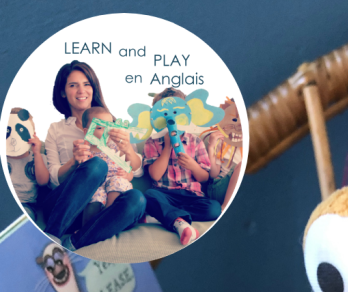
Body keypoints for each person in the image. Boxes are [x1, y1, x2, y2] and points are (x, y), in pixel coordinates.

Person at [42, 61, 146, 249]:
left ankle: (75, 242)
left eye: (86, 84)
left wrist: (128, 150)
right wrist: (74, 163)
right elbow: (52, 181)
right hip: (65, 208)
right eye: (73, 85)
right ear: (63, 92)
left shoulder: (113, 125)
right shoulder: (56, 129)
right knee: (96, 165)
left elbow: (137, 172)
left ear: (93, 88)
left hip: (104, 212)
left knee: (137, 199)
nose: (81, 90)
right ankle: (52, 237)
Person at [143, 87, 221, 246]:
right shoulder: (152, 142)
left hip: (191, 196)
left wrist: (193, 166)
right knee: (149, 196)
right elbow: (155, 175)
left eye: (176, 112)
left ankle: (164, 217)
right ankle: (176, 220)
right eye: (164, 114)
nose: (171, 118)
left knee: (214, 209)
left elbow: (204, 177)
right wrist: (167, 147)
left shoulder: (196, 141)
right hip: (164, 194)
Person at [79, 107, 134, 233]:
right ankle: (87, 229)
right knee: (94, 195)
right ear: (87, 132)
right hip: (97, 186)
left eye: (109, 126)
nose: (107, 131)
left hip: (117, 184)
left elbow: (130, 171)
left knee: (117, 181)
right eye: (100, 128)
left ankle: (107, 217)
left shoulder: (117, 148)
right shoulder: (85, 151)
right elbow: (81, 175)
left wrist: (126, 175)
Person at [6, 108, 49, 221]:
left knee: (23, 218)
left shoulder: (38, 158)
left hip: (25, 205)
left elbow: (43, 181)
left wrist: (37, 153)